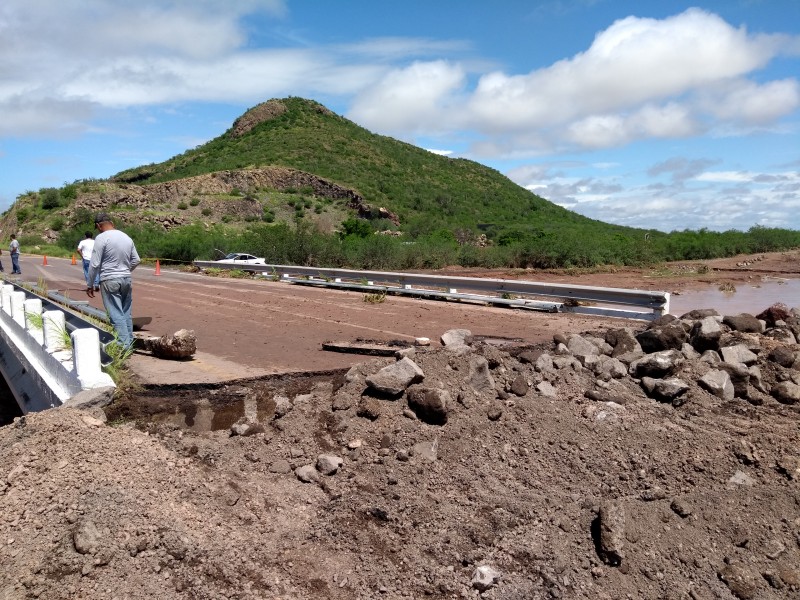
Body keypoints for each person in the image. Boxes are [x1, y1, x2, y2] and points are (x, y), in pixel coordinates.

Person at [87, 213, 140, 349]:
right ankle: (129, 342)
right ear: (112, 223)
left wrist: (90, 284)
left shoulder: (101, 238)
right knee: (126, 312)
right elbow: (136, 260)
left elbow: (94, 264)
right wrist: (125, 271)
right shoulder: (126, 237)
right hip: (126, 279)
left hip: (109, 279)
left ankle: (123, 346)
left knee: (115, 313)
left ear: (99, 226)